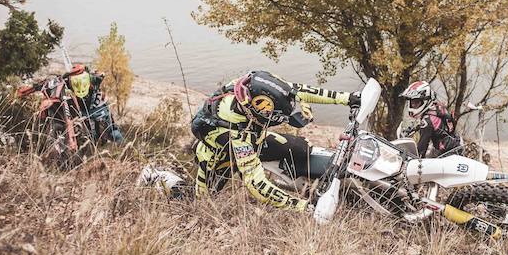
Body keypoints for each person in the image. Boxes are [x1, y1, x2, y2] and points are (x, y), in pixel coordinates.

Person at [190, 70, 360, 211]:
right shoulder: (239, 135)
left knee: (301, 147)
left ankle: (292, 180)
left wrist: (347, 98)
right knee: (202, 203)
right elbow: (256, 185)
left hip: (251, 135)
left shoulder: (251, 88)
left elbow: (297, 90)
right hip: (222, 152)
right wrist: (305, 207)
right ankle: (171, 183)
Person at [399, 80, 462, 158]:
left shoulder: (427, 122)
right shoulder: (436, 109)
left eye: (417, 102)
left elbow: (421, 151)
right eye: (412, 102)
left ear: (425, 101)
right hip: (454, 148)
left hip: (447, 155)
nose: (413, 105)